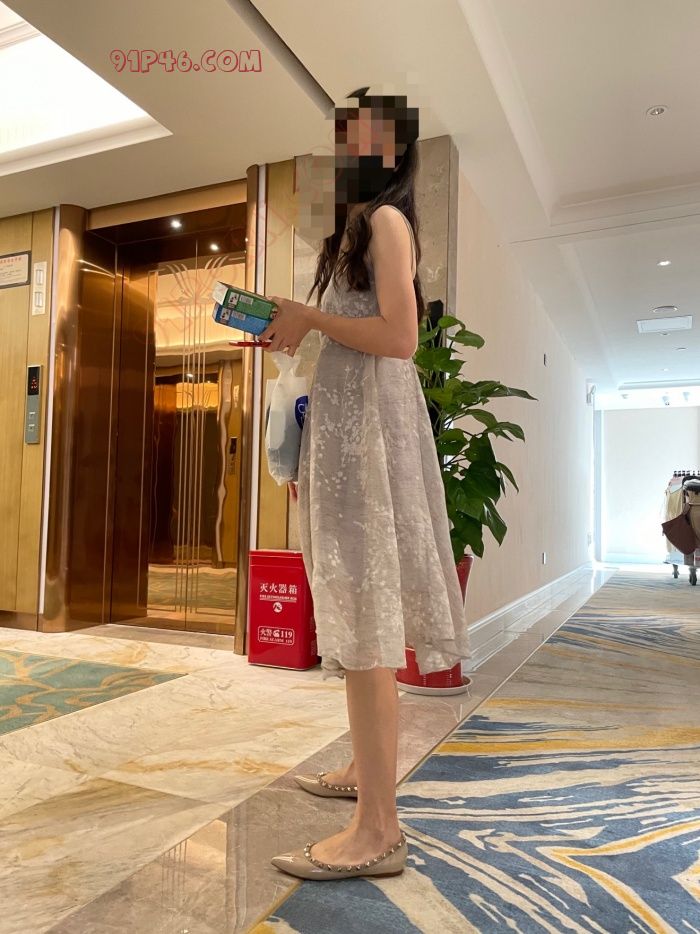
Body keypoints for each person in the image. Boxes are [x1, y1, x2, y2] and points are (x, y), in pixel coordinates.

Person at [260, 89, 470, 881]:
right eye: (346, 135)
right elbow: (357, 339)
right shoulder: (355, 229)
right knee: (356, 609)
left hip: (371, 439)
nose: (352, 148)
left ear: (395, 150)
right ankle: (363, 772)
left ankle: (378, 829)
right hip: (348, 437)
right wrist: (297, 326)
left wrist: (312, 321)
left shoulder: (385, 220)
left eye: (370, 137)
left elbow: (400, 336)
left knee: (367, 617)